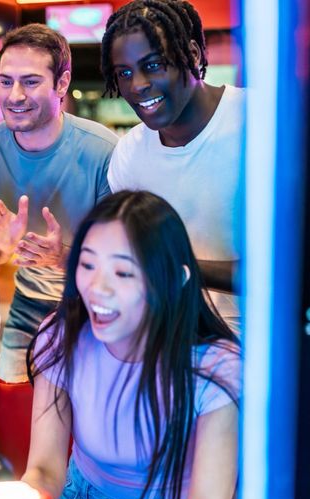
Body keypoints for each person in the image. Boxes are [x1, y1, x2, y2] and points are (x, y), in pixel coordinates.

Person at [23, 191, 240, 499]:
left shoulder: (215, 368)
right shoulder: (62, 334)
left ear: (174, 281)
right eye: (88, 264)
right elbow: (44, 470)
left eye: (122, 273)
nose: (97, 288)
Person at [0, 23, 118, 383]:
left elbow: (124, 257)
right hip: (27, 305)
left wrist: (62, 257)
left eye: (31, 82)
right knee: (10, 406)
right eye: (6, 81)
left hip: (95, 305)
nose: (14, 95)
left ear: (62, 84)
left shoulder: (104, 150)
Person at [101, 0, 243, 331]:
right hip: (163, 342)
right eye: (124, 73)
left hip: (258, 346)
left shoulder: (262, 125)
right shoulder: (129, 154)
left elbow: (289, 271)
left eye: (153, 66)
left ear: (193, 55)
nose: (137, 85)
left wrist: (173, 264)